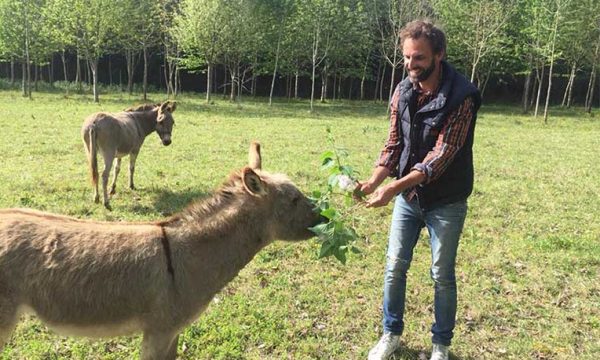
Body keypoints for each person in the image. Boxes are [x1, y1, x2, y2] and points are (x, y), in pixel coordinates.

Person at [355, 20, 481, 360]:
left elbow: (438, 158)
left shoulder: (462, 96)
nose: (411, 65)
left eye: (419, 58)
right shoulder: (402, 90)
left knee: (441, 274)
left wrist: (393, 187)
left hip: (447, 200)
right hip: (409, 199)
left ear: (439, 55)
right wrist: (373, 182)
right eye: (407, 58)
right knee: (395, 265)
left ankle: (440, 345)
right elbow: (394, 144)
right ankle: (390, 334)